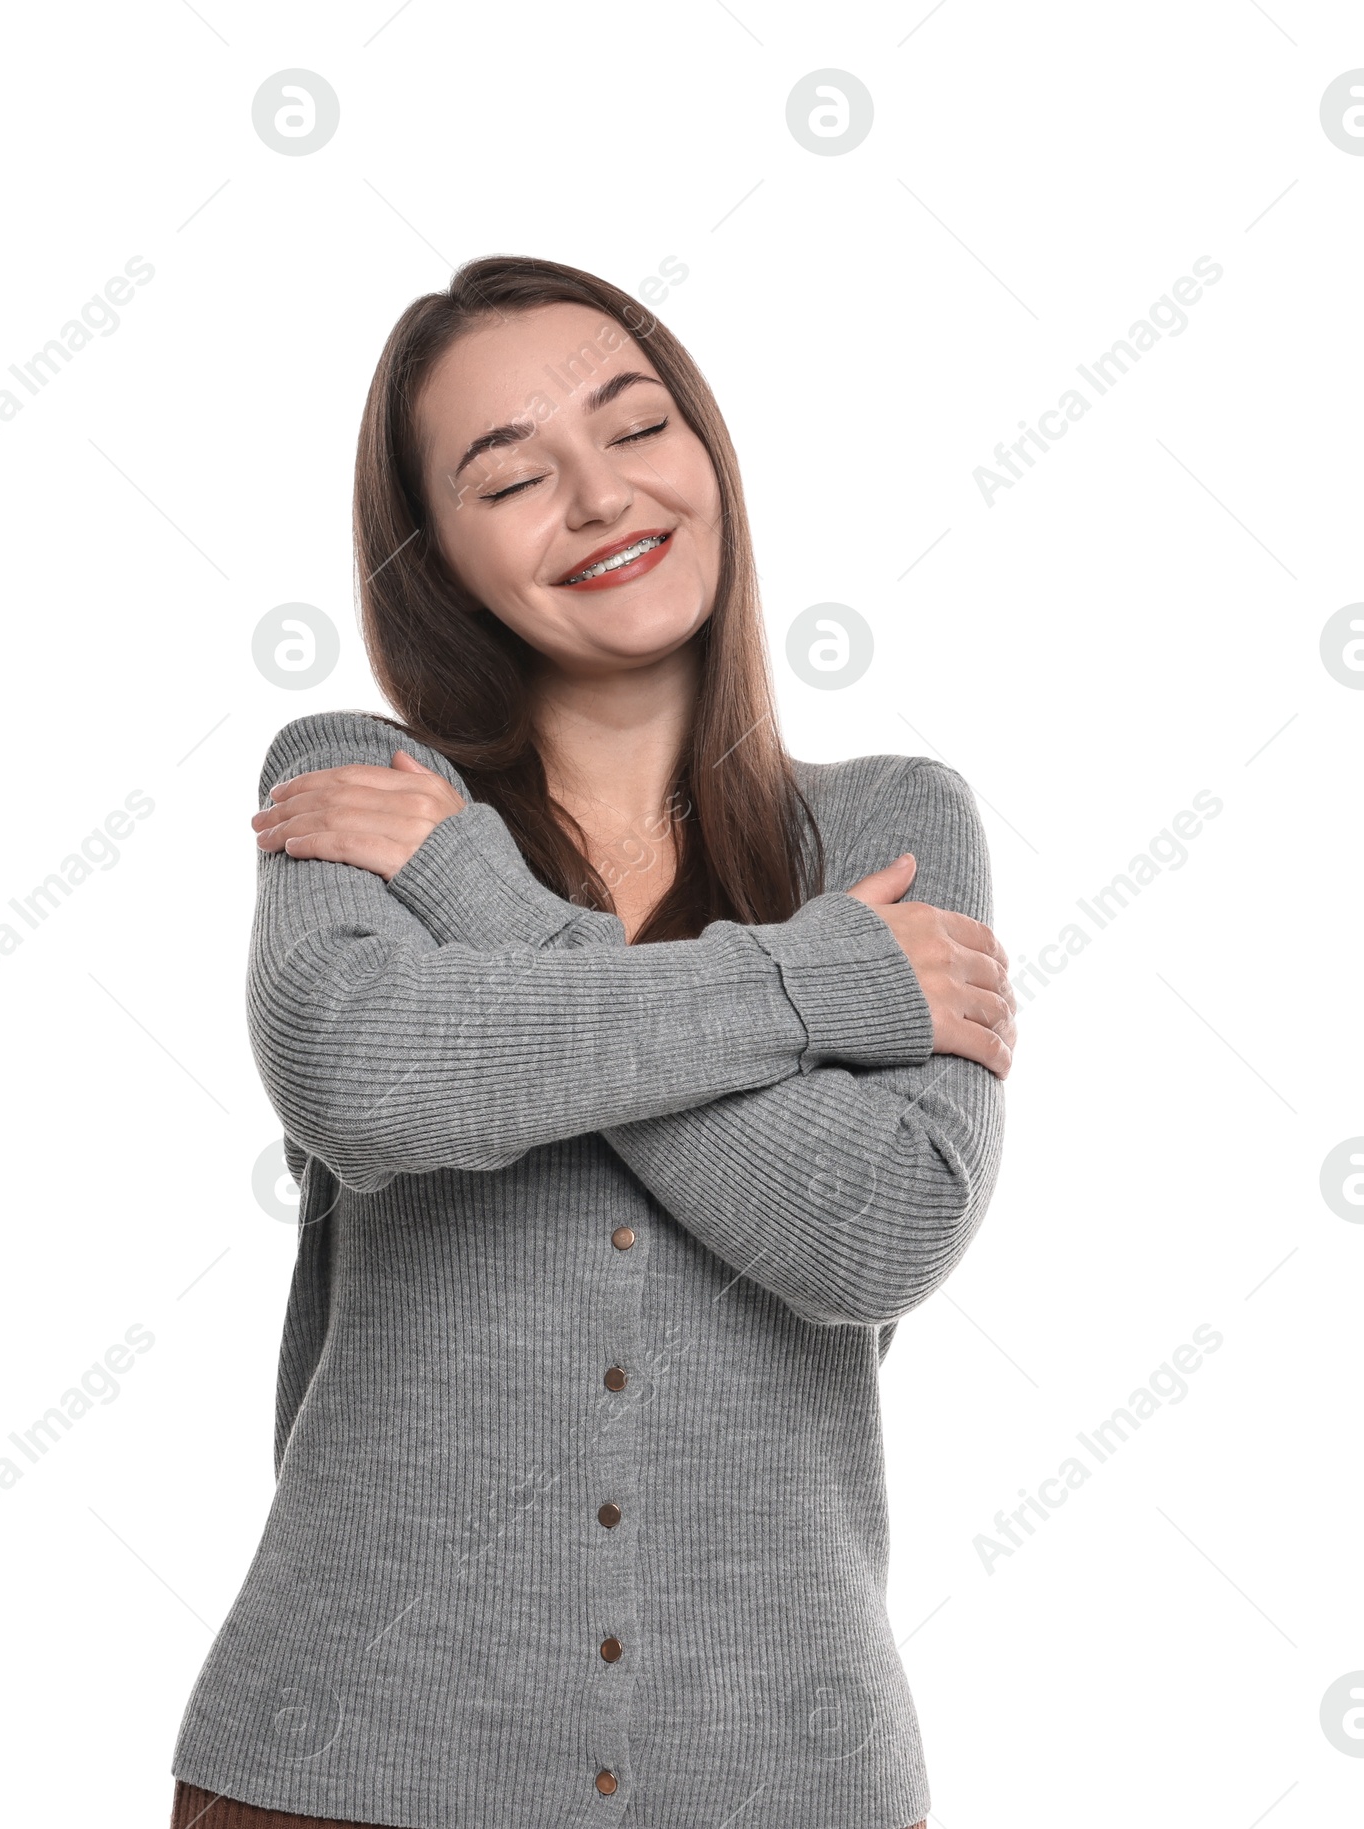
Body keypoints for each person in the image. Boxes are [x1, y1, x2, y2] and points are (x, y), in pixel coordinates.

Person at [169, 254, 1013, 1829]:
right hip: (347, 1767)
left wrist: (472, 897)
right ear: (439, 561)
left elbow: (878, 1226)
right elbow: (368, 1074)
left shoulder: (892, 825)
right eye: (510, 474)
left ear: (706, 451)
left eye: (635, 427)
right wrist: (822, 986)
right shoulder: (353, 779)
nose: (596, 495)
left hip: (779, 1775)